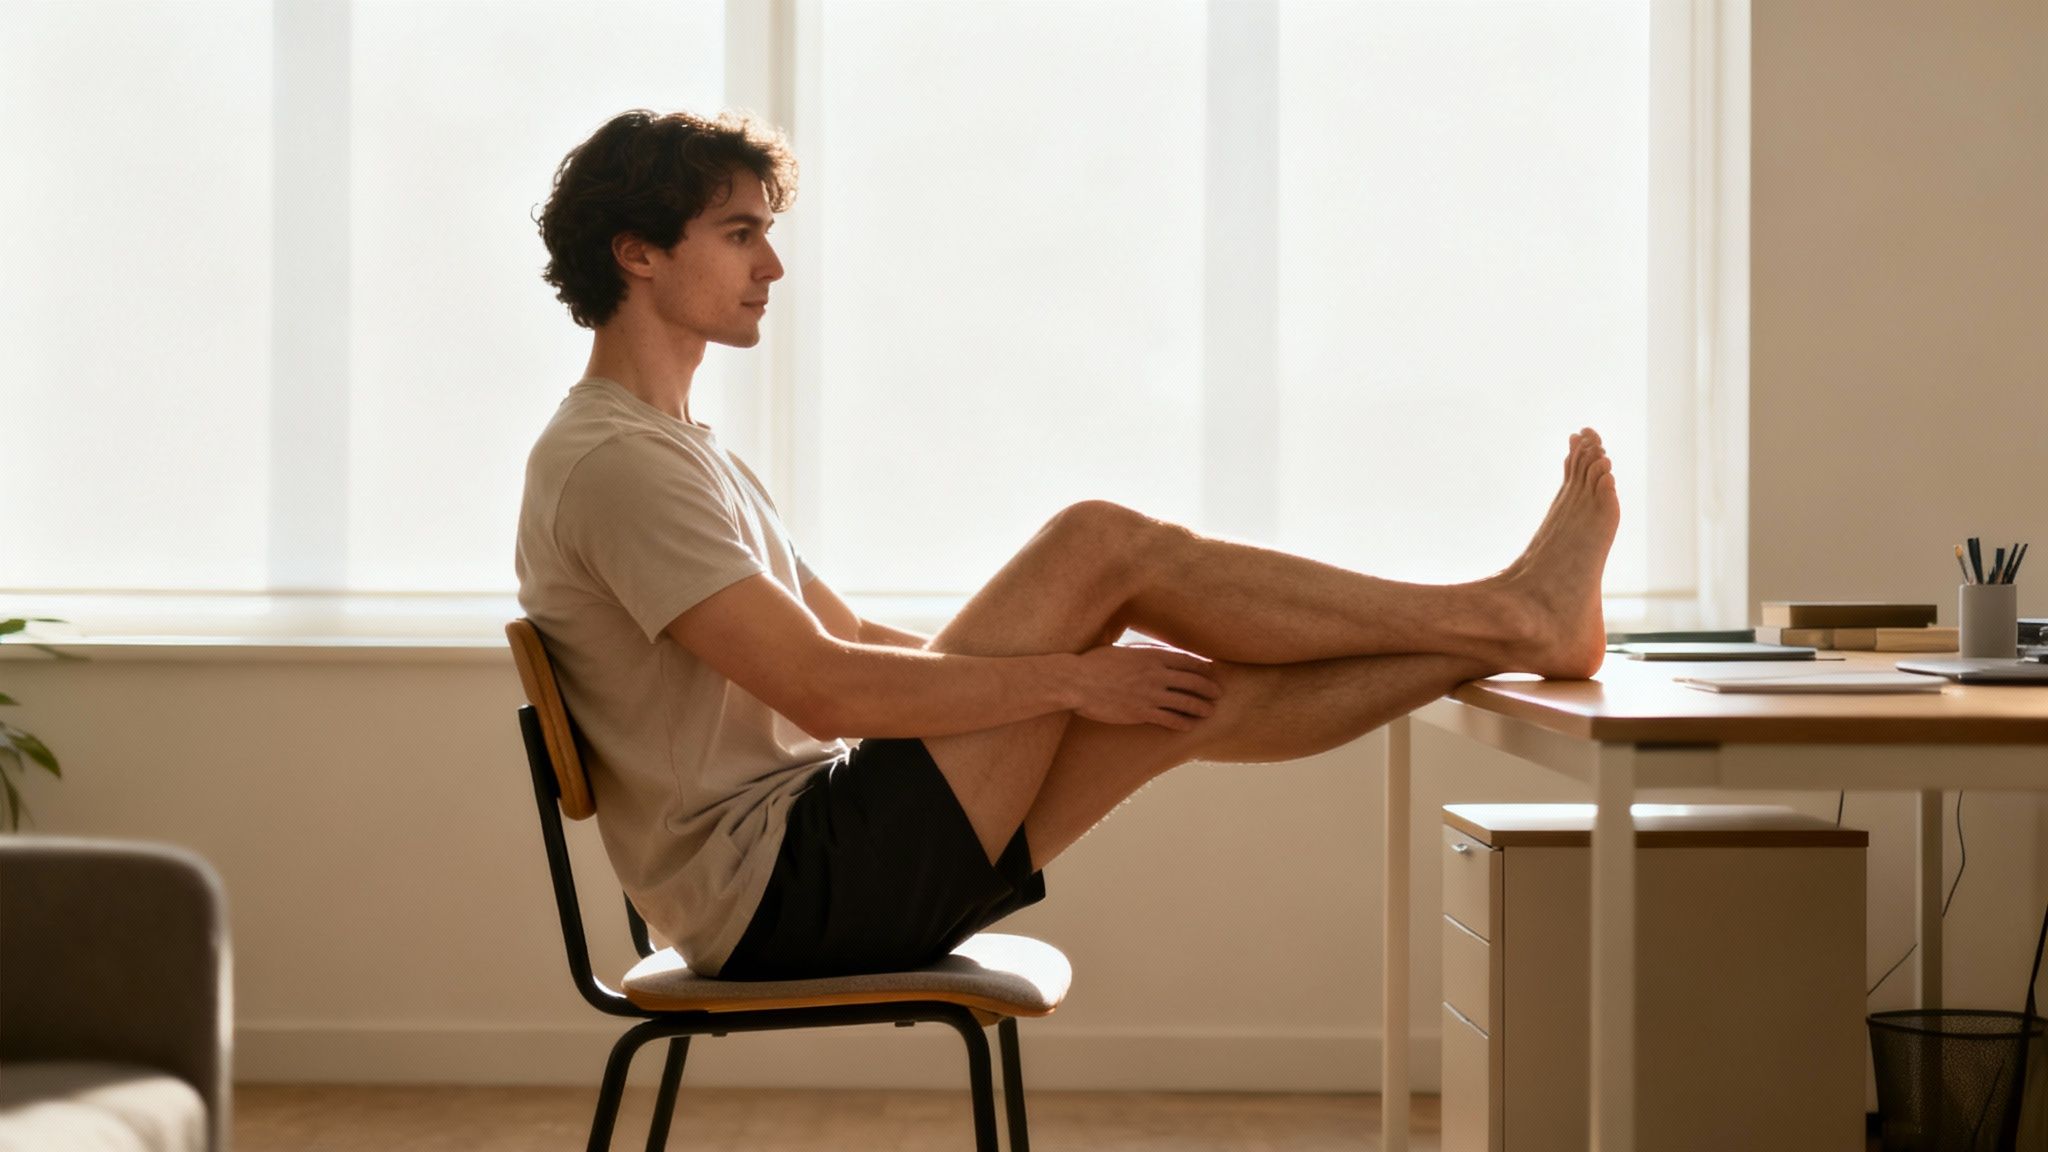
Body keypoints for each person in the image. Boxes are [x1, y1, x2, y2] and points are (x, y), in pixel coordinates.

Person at [516, 108, 1619, 981]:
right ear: (638, 254)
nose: (774, 266)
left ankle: (1505, 631)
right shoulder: (616, 465)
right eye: (741, 233)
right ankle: (1505, 610)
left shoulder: (680, 450)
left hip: (818, 873)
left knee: (1192, 697)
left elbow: (846, 636)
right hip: (785, 895)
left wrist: (1074, 685)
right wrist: (1070, 681)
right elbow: (825, 689)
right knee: (1097, 545)